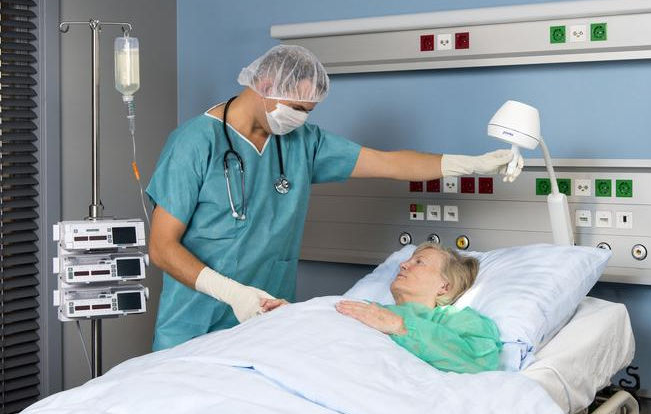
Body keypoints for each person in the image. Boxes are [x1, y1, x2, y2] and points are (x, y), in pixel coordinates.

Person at [147, 45, 524, 351]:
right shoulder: (195, 143)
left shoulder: (302, 143)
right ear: (264, 84)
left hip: (266, 323)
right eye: (295, 108)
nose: (300, 119)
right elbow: (162, 248)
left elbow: (389, 162)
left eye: (308, 112)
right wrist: (233, 294)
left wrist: (469, 164)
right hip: (194, 324)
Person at [335, 242, 501, 373]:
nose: (403, 264)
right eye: (408, 260)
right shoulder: (368, 309)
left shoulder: (459, 320)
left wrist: (402, 327)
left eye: (419, 262)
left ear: (444, 286)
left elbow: (481, 363)